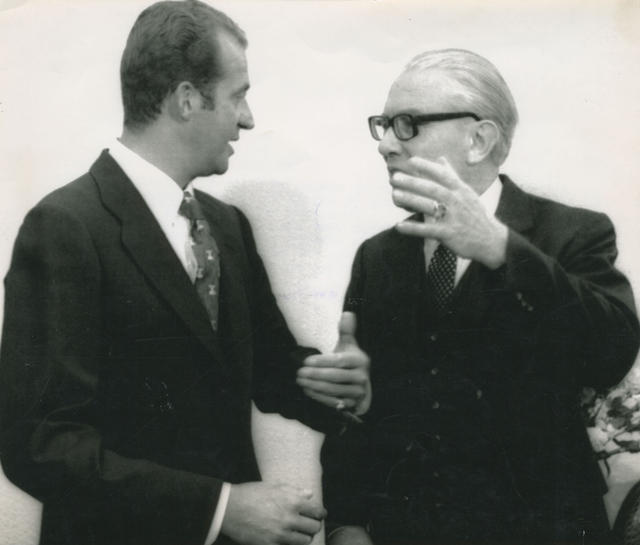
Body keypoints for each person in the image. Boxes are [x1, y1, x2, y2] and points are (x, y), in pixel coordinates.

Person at [0, 2, 370, 545]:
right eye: (238, 95)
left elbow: (269, 367)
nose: (248, 118)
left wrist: (339, 386)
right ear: (187, 99)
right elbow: (39, 444)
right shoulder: (65, 228)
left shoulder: (227, 226)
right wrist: (218, 509)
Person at [319, 48, 640, 545]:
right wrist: (346, 524)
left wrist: (501, 250)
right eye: (382, 125)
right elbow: (355, 409)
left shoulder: (571, 233)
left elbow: (609, 353)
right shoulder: (378, 257)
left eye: (406, 124)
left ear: (479, 140)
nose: (385, 144)